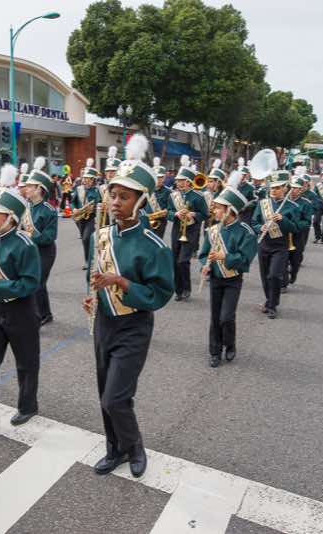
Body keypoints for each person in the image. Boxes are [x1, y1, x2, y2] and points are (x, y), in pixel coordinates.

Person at [82, 134, 174, 478]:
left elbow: (160, 293)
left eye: (125, 197)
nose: (116, 202)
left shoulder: (154, 246)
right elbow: (95, 274)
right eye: (113, 195)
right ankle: (114, 449)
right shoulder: (101, 235)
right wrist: (93, 295)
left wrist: (121, 283)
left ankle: (134, 447)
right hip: (104, 323)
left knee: (115, 398)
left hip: (133, 327)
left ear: (141, 201)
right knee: (104, 393)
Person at [0, 173, 41, 429]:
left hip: (21, 311)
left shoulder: (26, 245)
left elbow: (30, 283)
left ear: (10, 216)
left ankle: (28, 406)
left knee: (26, 362)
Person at [198, 185, 257, 368]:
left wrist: (226, 256)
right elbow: (203, 254)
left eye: (218, 208)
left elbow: (245, 260)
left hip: (233, 280)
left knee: (226, 317)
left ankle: (230, 344)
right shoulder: (212, 230)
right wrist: (204, 266)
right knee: (215, 316)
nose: (214, 211)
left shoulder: (246, 232)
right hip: (216, 279)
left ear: (229, 210)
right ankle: (214, 352)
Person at [252, 171, 301, 319]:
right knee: (265, 276)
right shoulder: (263, 203)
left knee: (274, 275)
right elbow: (254, 222)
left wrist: (282, 219)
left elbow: (296, 228)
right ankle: (269, 300)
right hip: (264, 244)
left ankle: (273, 305)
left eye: (278, 187)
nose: (274, 190)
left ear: (285, 188)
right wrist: (260, 228)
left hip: (280, 246)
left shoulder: (292, 207)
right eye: (272, 187)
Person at [167, 155, 209, 301]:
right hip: (176, 231)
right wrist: (175, 214)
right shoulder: (173, 196)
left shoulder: (198, 196)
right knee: (175, 261)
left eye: (180, 180)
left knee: (183, 261)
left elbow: (205, 214)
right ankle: (178, 290)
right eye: (177, 180)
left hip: (191, 232)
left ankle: (186, 288)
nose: (177, 182)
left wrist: (194, 214)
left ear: (188, 181)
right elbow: (168, 212)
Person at [24, 157, 59, 326]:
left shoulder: (49, 211)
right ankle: (45, 313)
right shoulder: (27, 208)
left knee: (38, 283)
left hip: (45, 251)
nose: (26, 189)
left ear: (39, 189)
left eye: (30, 186)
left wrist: (30, 235)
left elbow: (49, 237)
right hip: (31, 250)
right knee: (36, 283)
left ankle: (40, 315)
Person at [283, 175, 313, 289]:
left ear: (300, 189)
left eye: (295, 188)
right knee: (282, 260)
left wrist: (294, 225)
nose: (292, 190)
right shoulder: (284, 201)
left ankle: (294, 273)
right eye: (291, 187)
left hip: (297, 235)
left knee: (295, 260)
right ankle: (283, 283)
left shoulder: (306, 203)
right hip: (284, 235)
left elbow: (307, 222)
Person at [71, 162, 101, 269]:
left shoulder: (97, 190)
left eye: (88, 178)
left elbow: (100, 203)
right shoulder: (79, 189)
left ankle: (90, 260)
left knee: (86, 237)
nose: (85, 180)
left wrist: (94, 207)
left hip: (91, 218)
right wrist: (74, 209)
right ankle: (87, 260)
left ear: (93, 180)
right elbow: (73, 202)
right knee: (84, 240)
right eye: (84, 178)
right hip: (80, 218)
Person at [148, 157, 171, 239]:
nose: (158, 179)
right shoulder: (147, 190)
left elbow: (171, 207)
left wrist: (166, 211)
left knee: (157, 240)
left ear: (164, 178)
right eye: (156, 177)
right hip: (147, 220)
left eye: (160, 177)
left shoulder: (168, 191)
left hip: (160, 221)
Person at [203, 159, 226, 237]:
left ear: (218, 183)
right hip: (207, 225)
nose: (207, 184)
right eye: (208, 181)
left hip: (219, 227)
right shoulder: (207, 194)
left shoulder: (223, 196)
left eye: (211, 181)